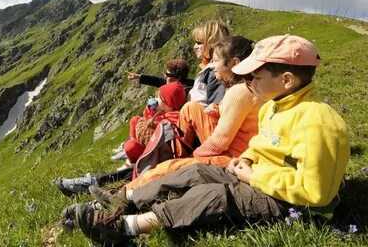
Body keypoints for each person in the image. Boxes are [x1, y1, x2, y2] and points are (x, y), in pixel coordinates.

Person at [64, 34, 350, 245]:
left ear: (287, 80)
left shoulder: (317, 122)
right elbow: (262, 145)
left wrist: (253, 176)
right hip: (259, 177)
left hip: (293, 204)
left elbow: (317, 193)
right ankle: (123, 201)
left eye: (254, 77)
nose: (248, 83)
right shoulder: (275, 106)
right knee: (195, 170)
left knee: (216, 195)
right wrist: (248, 160)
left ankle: (125, 227)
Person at [121, 36, 261, 190]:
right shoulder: (243, 88)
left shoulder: (238, 92)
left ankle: (127, 193)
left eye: (216, 61)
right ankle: (178, 152)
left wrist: (195, 156)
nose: (212, 66)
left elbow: (220, 142)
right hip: (236, 150)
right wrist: (217, 110)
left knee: (171, 167)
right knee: (190, 107)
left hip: (232, 157)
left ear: (234, 63)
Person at [54, 81, 186, 196]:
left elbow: (144, 133)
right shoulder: (168, 115)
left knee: (131, 164)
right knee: (129, 171)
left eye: (161, 98)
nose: (158, 100)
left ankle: (90, 185)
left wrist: (147, 118)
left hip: (158, 163)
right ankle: (90, 183)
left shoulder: (170, 120)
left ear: (169, 102)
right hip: (155, 161)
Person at [127, 20, 229, 106]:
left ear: (211, 43)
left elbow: (214, 109)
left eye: (199, 43)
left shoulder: (215, 73)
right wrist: (141, 78)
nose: (194, 47)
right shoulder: (207, 71)